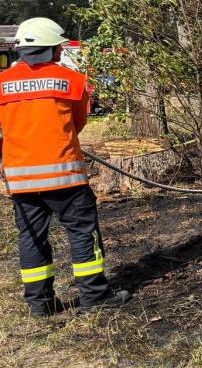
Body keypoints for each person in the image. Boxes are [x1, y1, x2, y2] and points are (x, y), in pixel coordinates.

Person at [0, 17, 128, 316]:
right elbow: (78, 122)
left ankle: (40, 304)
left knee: (31, 238)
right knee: (83, 233)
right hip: (65, 176)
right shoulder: (73, 81)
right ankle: (94, 296)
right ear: (54, 50)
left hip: (21, 181)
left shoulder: (1, 83)